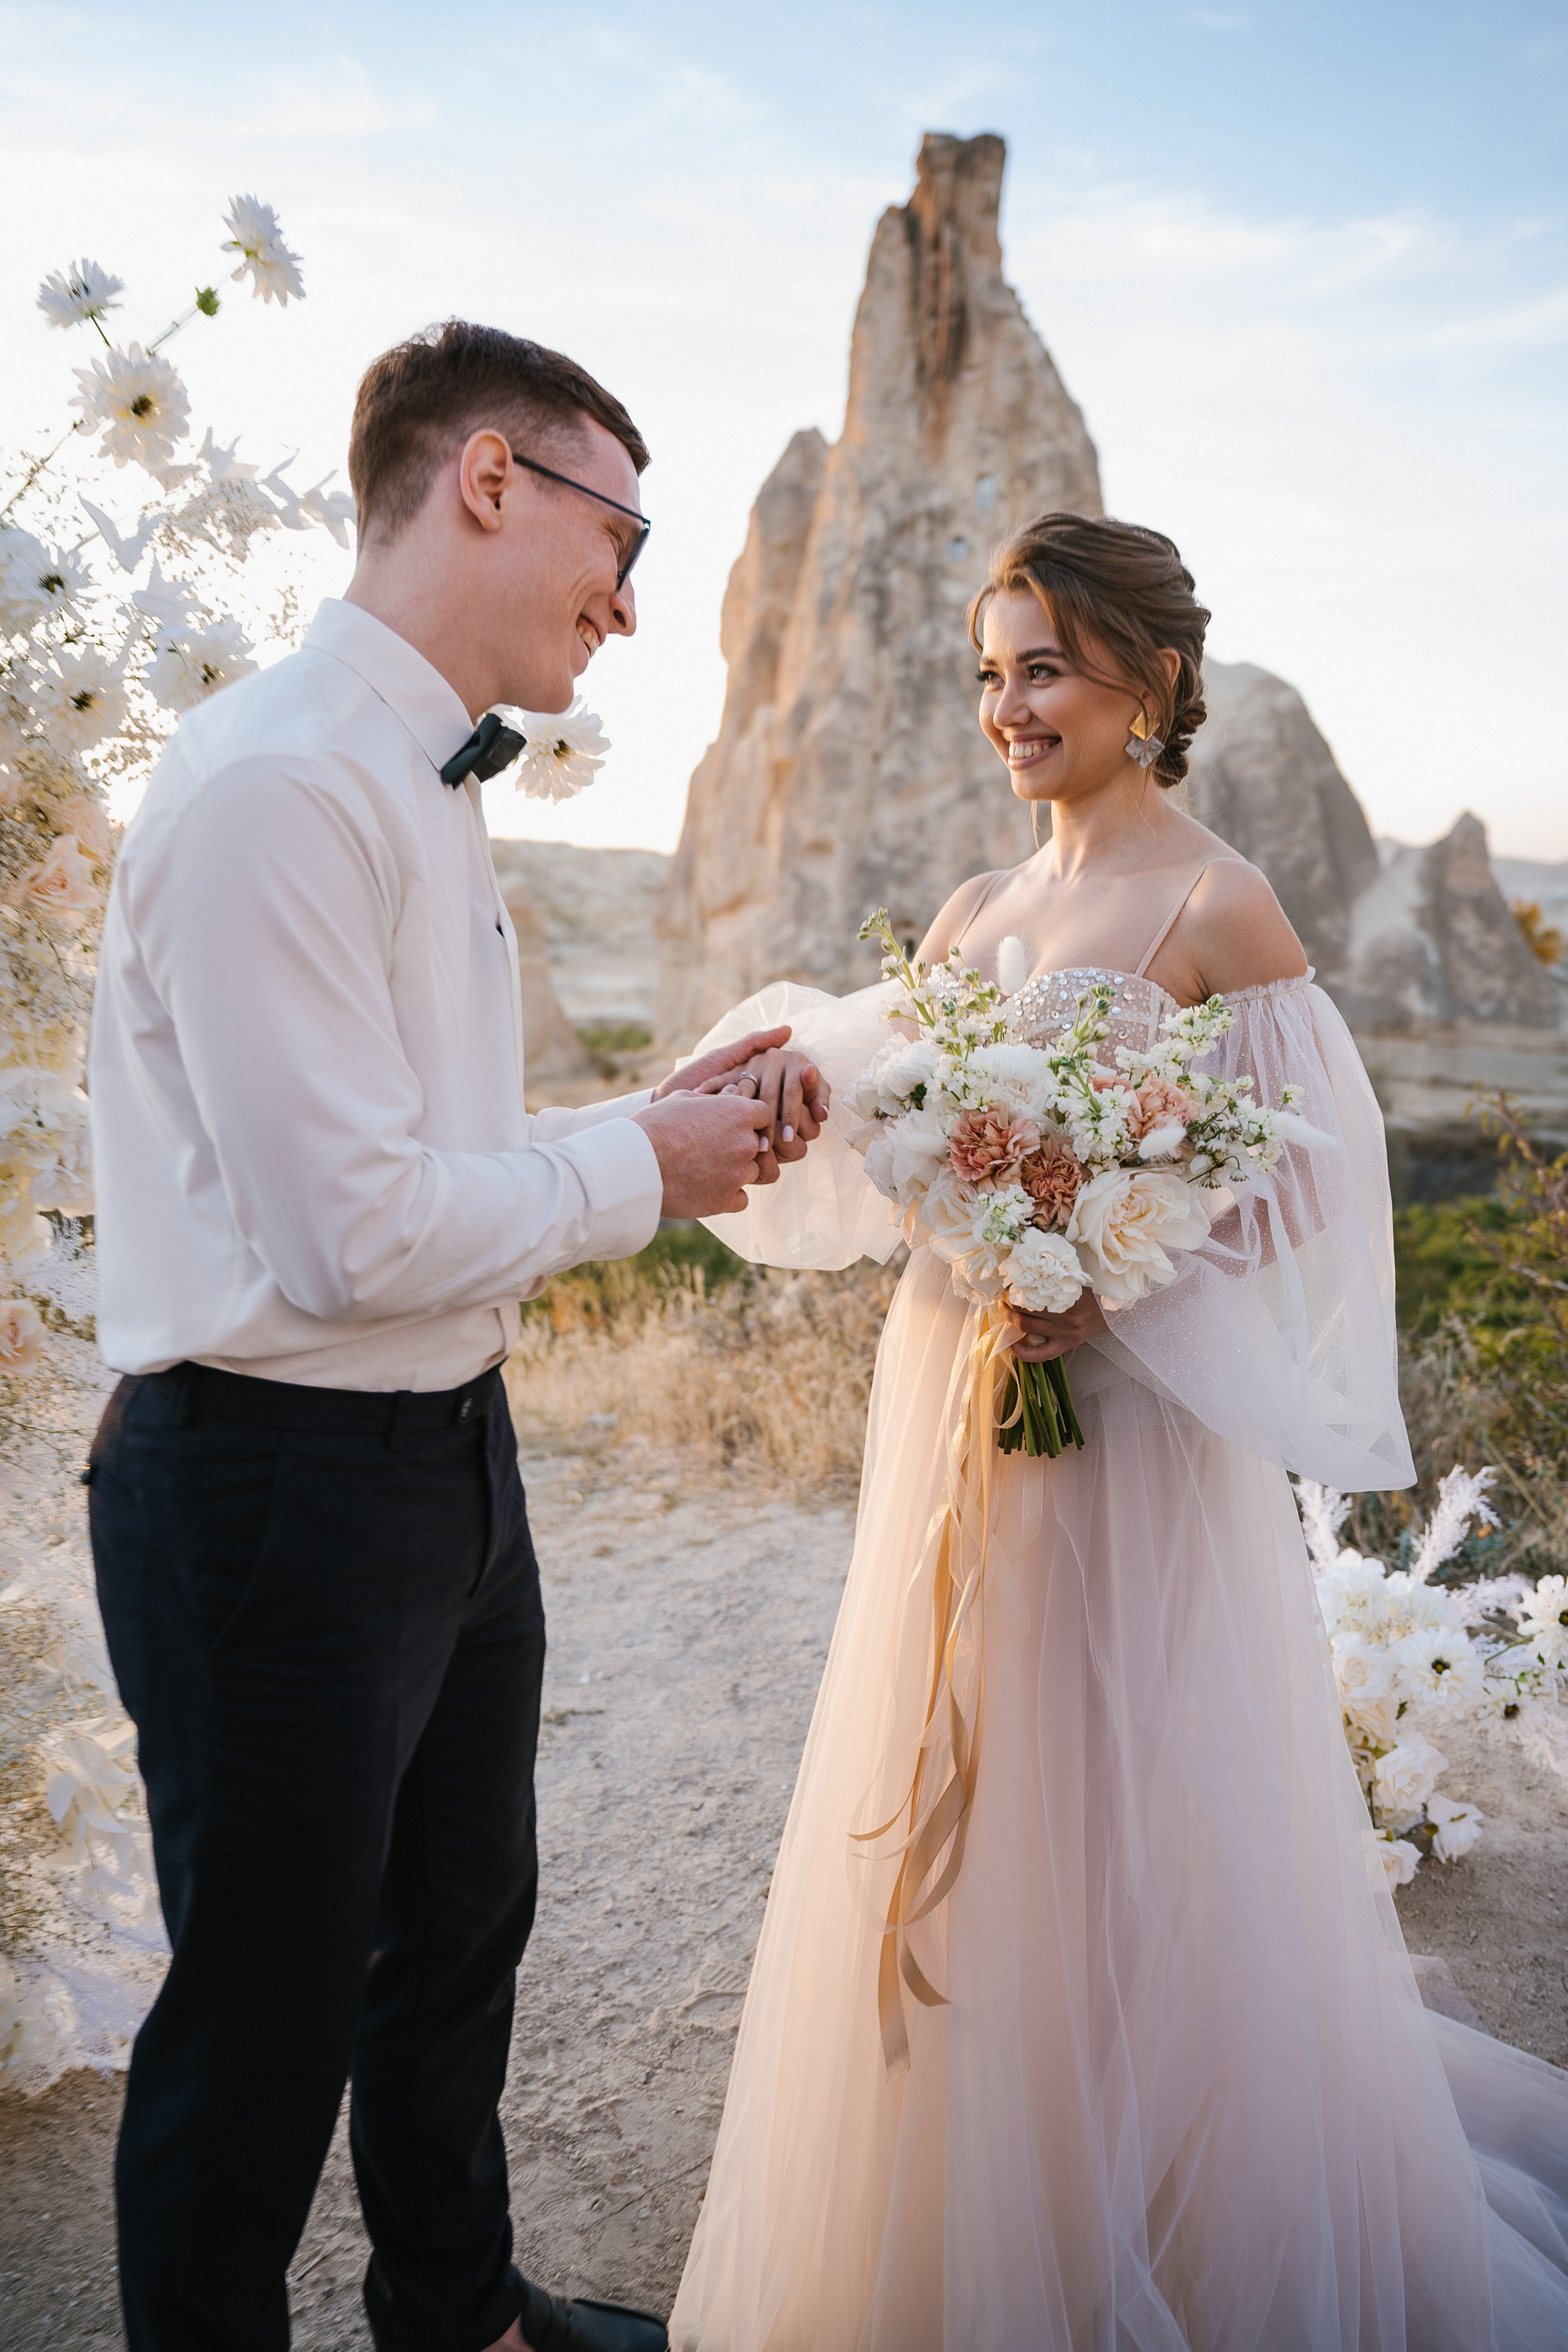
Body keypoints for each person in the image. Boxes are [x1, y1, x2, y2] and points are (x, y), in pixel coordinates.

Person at [666, 513, 1568, 2348]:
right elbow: (886, 1138)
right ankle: (979, 2164)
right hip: (951, 1394)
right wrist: (945, 1204)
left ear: (1150, 682)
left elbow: (1310, 1192)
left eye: (1045, 669)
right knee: (971, 1761)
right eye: (992, 672)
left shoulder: (1216, 905)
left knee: (1127, 1775)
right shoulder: (971, 918)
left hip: (1132, 1433)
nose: (1009, 708)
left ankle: (1155, 2177)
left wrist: (1110, 1271)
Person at [86, 320, 829, 2352]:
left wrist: (639, 1122)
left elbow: (430, 1162)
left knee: (459, 1937)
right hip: (270, 1487)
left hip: (443, 1463)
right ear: (489, 480)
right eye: (623, 524)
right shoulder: (276, 787)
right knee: (263, 2021)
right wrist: (646, 1177)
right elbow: (344, 1240)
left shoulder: (409, 775)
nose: (637, 591)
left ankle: (457, 2314)